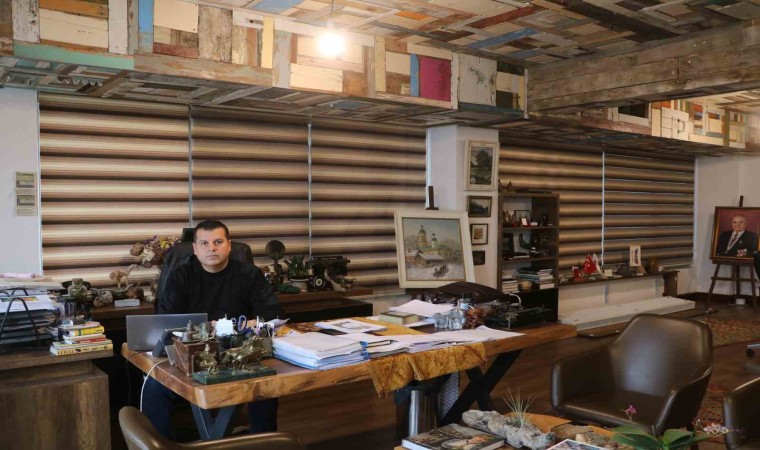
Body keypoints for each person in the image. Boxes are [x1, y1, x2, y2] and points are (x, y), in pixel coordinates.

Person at [142, 219, 281, 439]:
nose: (211, 248)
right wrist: (206, 328)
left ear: (229, 245)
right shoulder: (181, 275)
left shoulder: (249, 274)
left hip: (238, 351)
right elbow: (166, 321)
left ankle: (264, 442)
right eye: (204, 243)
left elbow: (272, 316)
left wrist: (229, 326)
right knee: (154, 387)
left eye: (218, 242)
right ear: (195, 248)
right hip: (190, 353)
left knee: (265, 386)